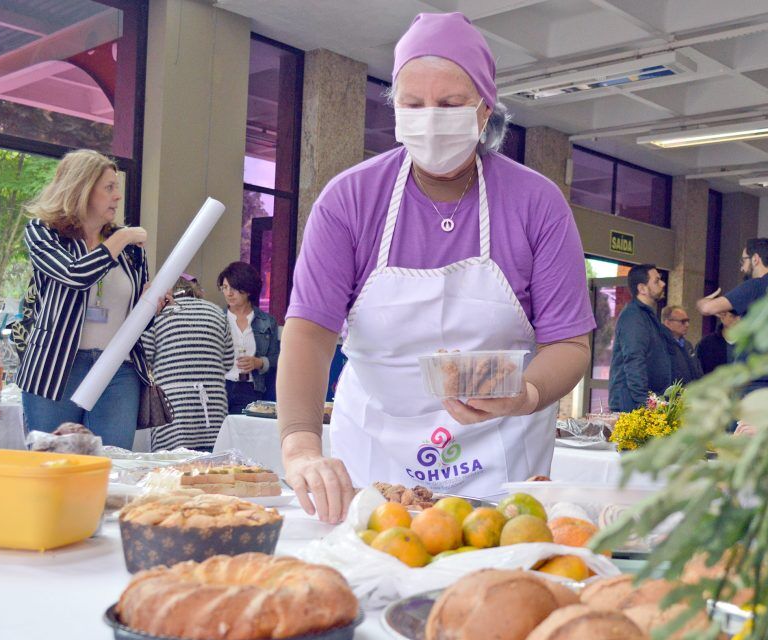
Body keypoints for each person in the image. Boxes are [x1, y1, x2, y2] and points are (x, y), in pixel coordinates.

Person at [277, 12, 594, 521]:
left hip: (500, 456)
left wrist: (526, 394)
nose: (430, 117)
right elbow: (310, 331)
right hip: (375, 455)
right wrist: (300, 444)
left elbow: (570, 344)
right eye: (412, 104)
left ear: (484, 109)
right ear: (395, 107)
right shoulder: (350, 200)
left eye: (449, 104)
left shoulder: (536, 202)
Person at [15, 149, 160, 449]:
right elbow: (74, 275)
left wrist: (151, 305)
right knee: (52, 464)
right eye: (109, 187)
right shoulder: (43, 232)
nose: (118, 196)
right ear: (81, 188)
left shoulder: (133, 249)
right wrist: (120, 239)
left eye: (117, 187)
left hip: (119, 369)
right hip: (55, 368)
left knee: (113, 466)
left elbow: (138, 323)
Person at [696, 237, 768, 391]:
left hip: (755, 384)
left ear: (756, 259)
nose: (742, 268)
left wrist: (704, 301)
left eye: (743, 261)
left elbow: (707, 309)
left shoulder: (755, 286)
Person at [141, 275, 231, 451]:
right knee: (211, 467)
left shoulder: (159, 314)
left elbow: (145, 358)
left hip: (173, 405)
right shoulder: (217, 313)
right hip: (213, 405)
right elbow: (228, 361)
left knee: (171, 469)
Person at [608, 265, 683, 411]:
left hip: (645, 403)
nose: (663, 284)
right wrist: (645, 402)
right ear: (642, 288)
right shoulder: (633, 317)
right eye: (657, 281)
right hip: (633, 406)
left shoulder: (647, 316)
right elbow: (634, 360)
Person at [218, 261, 278, 416]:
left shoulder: (267, 321)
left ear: (248, 290)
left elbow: (276, 358)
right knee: (218, 435)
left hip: (251, 388)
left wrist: (259, 362)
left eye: (234, 288)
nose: (229, 293)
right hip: (219, 387)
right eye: (225, 288)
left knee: (243, 434)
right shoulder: (216, 317)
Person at [661, 304, 703, 385]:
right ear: (667, 323)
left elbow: (697, 371)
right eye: (683, 321)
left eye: (688, 321)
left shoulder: (688, 345)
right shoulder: (660, 346)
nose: (687, 325)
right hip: (672, 395)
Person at [696, 309, 739, 376]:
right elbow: (698, 371)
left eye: (741, 316)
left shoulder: (749, 344)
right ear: (722, 317)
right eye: (732, 316)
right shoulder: (706, 343)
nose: (737, 320)